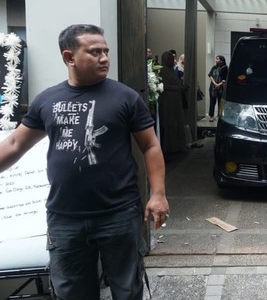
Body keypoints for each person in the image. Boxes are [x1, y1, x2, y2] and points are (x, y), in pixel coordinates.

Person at [0, 24, 169, 299]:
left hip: (118, 213)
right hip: (65, 217)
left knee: (127, 289)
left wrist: (158, 194)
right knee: (72, 292)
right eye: (94, 52)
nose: (104, 58)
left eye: (106, 51)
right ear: (69, 57)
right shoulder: (47, 100)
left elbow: (150, 146)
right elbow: (15, 144)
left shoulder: (125, 97)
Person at [158, 51, 187, 157]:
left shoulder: (171, 70)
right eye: (169, 59)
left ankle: (176, 146)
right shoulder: (163, 71)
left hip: (175, 101)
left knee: (176, 122)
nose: (172, 60)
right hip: (168, 102)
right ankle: (169, 148)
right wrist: (179, 88)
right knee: (170, 124)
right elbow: (165, 86)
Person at [208, 55, 227, 121]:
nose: (216, 60)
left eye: (217, 59)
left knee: (220, 102)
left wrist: (219, 84)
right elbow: (210, 76)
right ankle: (211, 116)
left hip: (221, 87)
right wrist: (215, 84)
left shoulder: (225, 68)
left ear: (221, 60)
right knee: (212, 102)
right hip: (213, 87)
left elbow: (225, 79)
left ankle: (220, 116)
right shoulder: (214, 67)